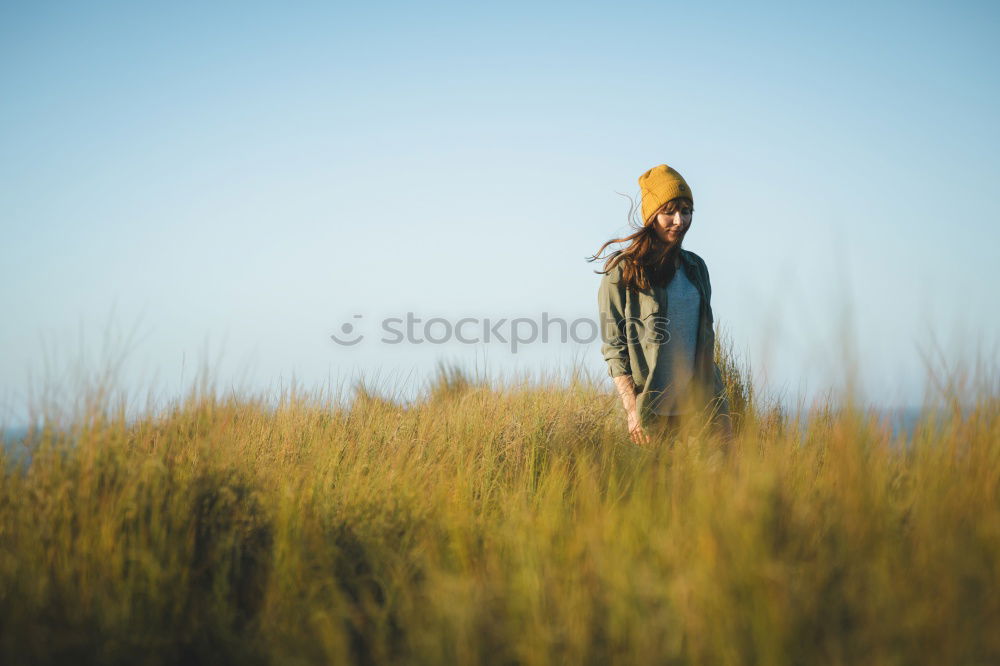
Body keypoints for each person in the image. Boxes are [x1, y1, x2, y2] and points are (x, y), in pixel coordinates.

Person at [589, 164, 733, 446]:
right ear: (651, 216)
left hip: (701, 414)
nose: (679, 221)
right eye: (669, 212)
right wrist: (633, 411)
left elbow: (704, 343)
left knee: (710, 489)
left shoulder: (697, 268)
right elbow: (614, 348)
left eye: (686, 211)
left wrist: (722, 414)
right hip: (651, 417)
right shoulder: (623, 270)